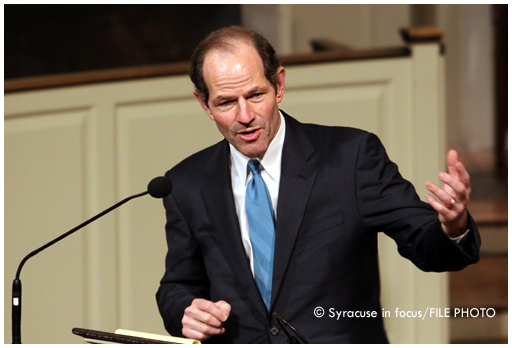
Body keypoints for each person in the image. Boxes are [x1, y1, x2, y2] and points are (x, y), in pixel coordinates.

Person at [156, 26, 480, 343]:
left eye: (255, 95)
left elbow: (430, 249)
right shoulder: (187, 183)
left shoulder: (350, 158)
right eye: (226, 102)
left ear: (279, 85)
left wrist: (453, 226)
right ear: (204, 104)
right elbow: (178, 285)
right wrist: (186, 311)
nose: (245, 115)